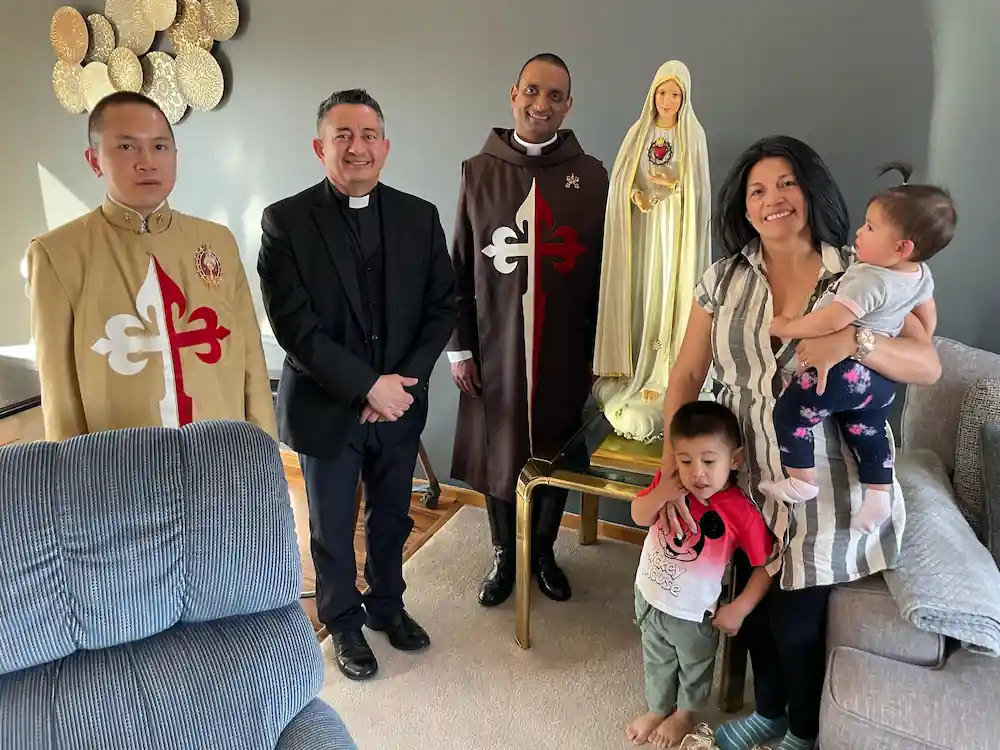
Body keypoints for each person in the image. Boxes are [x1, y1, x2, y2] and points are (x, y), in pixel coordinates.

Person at [639, 136, 941, 750]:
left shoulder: (859, 273)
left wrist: (855, 344)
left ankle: (801, 733)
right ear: (743, 207)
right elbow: (687, 376)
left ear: (810, 190)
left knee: (796, 620)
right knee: (748, 609)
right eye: (756, 190)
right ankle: (770, 712)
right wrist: (675, 463)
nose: (772, 198)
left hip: (824, 483)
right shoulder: (721, 280)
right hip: (741, 477)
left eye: (786, 184)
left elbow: (927, 364)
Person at [257, 89, 456, 682]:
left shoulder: (419, 217)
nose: (356, 147)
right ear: (320, 148)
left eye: (368, 135)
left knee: (393, 513)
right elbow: (296, 328)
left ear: (386, 147)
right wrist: (369, 386)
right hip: (327, 405)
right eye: (342, 136)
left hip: (399, 404)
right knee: (332, 521)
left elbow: (442, 306)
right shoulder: (285, 222)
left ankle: (388, 604)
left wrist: (401, 384)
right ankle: (341, 621)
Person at [446, 53, 610, 606]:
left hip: (565, 345)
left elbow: (604, 271)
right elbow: (460, 264)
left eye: (556, 95)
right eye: (533, 91)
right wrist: (459, 349)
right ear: (513, 93)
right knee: (501, 448)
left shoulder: (589, 177)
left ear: (569, 104)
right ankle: (503, 554)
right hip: (496, 344)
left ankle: (543, 551)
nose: (542, 104)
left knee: (554, 448)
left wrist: (601, 352)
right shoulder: (479, 170)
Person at [26, 91, 276, 442]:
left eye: (160, 147)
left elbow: (252, 364)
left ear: (176, 155)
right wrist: (75, 485)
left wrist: (262, 456)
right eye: (127, 147)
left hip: (221, 459)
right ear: (94, 160)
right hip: (120, 470)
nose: (147, 162)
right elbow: (60, 397)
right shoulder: (57, 254)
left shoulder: (217, 241)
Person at [765, 161, 954, 533]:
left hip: (840, 378)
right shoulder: (917, 276)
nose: (860, 231)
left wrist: (793, 328)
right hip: (880, 387)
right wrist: (897, 325)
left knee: (791, 414)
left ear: (901, 247)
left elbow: (833, 321)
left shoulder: (864, 275)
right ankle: (878, 495)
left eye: (870, 227)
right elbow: (928, 319)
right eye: (757, 191)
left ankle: (801, 479)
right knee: (867, 432)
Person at [627, 401, 774, 748]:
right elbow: (637, 514)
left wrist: (740, 607)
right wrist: (662, 492)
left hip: (694, 614)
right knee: (657, 656)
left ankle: (686, 714)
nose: (697, 474)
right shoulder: (670, 484)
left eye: (709, 461)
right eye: (686, 460)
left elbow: (768, 563)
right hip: (649, 595)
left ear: (734, 460)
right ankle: (659, 707)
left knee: (694, 666)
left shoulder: (740, 512)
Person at [592, 60, 712, 443]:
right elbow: (623, 182)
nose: (667, 100)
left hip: (674, 236)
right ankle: (633, 372)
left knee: (666, 297)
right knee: (642, 297)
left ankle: (663, 375)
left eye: (675, 94)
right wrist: (637, 195)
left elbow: (698, 194)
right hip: (644, 235)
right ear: (653, 94)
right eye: (662, 91)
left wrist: (673, 188)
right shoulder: (639, 133)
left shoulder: (693, 135)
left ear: (684, 98)